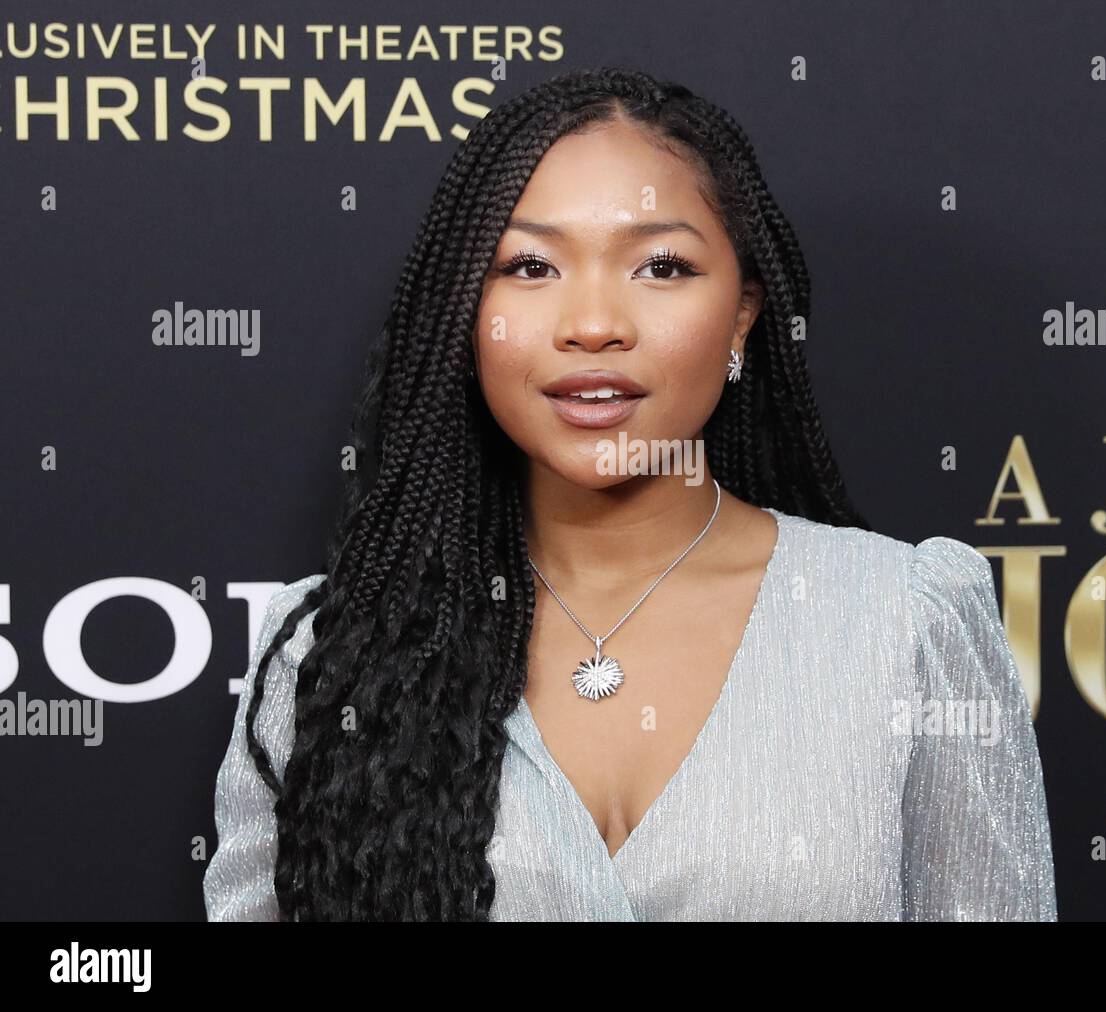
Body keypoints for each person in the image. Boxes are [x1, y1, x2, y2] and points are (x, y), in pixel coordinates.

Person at [202, 66, 1057, 922]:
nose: (594, 322)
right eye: (531, 265)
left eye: (661, 265)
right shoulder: (334, 650)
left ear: (744, 314)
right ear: (465, 308)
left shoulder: (906, 622)